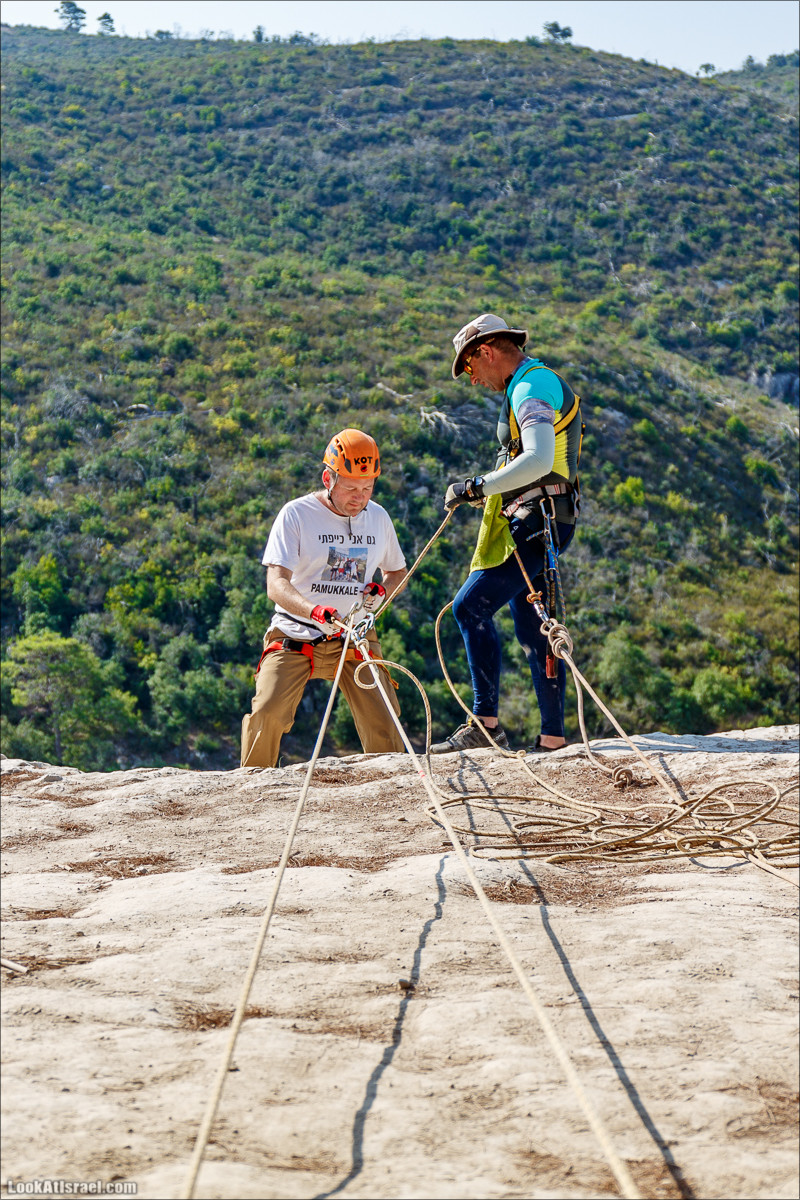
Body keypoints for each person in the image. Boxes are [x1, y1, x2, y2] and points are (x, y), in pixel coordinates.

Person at [430, 313, 582, 755]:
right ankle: (552, 738)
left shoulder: (530, 386)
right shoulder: (533, 381)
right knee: (534, 627)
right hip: (545, 519)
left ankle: (485, 725)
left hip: (537, 522)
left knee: (469, 607)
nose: (473, 379)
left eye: (471, 368)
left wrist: (477, 486)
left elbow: (536, 459)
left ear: (486, 351)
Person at [240, 428, 408, 768]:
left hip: (354, 636)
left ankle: (393, 801)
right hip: (296, 633)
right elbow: (276, 584)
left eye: (367, 488)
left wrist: (382, 591)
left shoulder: (378, 518)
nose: (359, 498)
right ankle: (251, 790)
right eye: (350, 488)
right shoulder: (296, 515)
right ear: (327, 478)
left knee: (386, 725)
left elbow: (396, 573)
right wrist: (314, 611)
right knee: (268, 714)